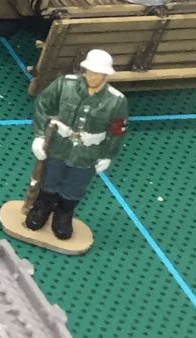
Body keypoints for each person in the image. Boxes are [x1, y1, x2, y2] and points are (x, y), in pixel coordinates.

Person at [26, 48, 128, 242]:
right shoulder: (65, 84)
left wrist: (107, 155)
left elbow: (117, 130)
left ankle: (63, 216)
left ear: (106, 75)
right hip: (59, 145)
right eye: (90, 71)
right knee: (50, 180)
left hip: (88, 152)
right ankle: (41, 209)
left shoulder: (116, 101)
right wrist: (39, 135)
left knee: (75, 186)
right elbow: (42, 104)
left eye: (98, 73)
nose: (93, 76)